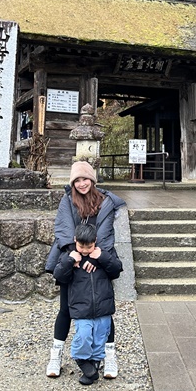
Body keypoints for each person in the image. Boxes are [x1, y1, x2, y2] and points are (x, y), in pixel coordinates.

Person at [44, 160, 126, 379]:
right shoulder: (67, 200)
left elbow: (106, 233)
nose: (82, 184)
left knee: (104, 311)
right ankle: (56, 355)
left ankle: (109, 357)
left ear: (92, 179)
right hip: (72, 258)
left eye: (85, 179)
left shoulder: (105, 202)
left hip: (98, 259)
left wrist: (96, 258)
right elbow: (63, 229)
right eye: (77, 180)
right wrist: (76, 256)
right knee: (66, 309)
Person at [52, 223, 123, 385]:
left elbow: (117, 269)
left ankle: (93, 369)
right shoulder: (70, 256)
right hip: (81, 308)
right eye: (81, 246)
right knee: (83, 336)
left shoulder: (103, 253)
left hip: (103, 307)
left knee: (100, 337)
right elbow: (59, 275)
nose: (84, 250)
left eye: (89, 247)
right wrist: (70, 261)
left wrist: (102, 257)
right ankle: (82, 361)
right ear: (75, 240)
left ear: (95, 241)